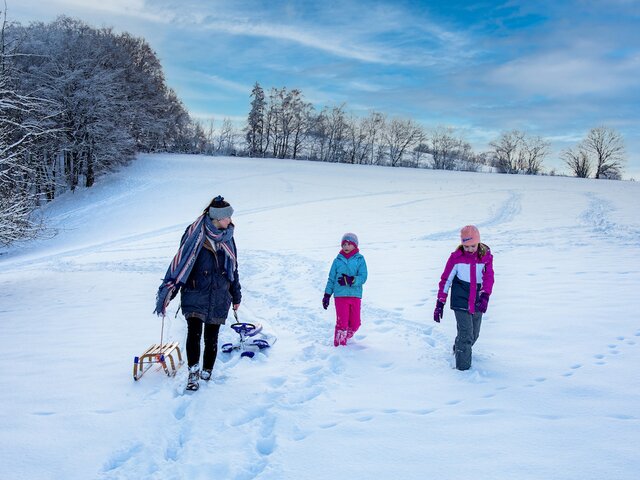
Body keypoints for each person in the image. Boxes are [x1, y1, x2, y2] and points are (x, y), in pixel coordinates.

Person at [154, 195, 241, 391]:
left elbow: (233, 268)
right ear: (217, 218)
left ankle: (207, 371)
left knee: (212, 336)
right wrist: (170, 291)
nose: (230, 221)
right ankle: (193, 372)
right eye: (227, 217)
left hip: (219, 294)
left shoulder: (228, 236)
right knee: (194, 333)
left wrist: (236, 295)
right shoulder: (195, 234)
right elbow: (182, 262)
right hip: (195, 291)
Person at [433, 225, 494, 370]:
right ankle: (463, 370)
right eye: (466, 246)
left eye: (473, 246)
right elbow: (446, 280)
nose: (470, 249)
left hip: (478, 299)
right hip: (460, 299)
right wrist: (440, 303)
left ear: (478, 242)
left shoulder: (485, 257)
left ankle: (459, 347)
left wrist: (485, 295)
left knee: (474, 334)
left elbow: (489, 277)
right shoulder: (456, 258)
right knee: (466, 334)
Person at [323, 233, 368, 346]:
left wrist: (351, 280)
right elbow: (331, 279)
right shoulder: (337, 260)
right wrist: (327, 295)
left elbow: (363, 277)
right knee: (342, 323)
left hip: (355, 295)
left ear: (355, 245)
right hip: (340, 296)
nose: (346, 247)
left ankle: (346, 337)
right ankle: (339, 345)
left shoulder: (360, 259)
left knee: (356, 323)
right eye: (344, 244)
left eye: (348, 244)